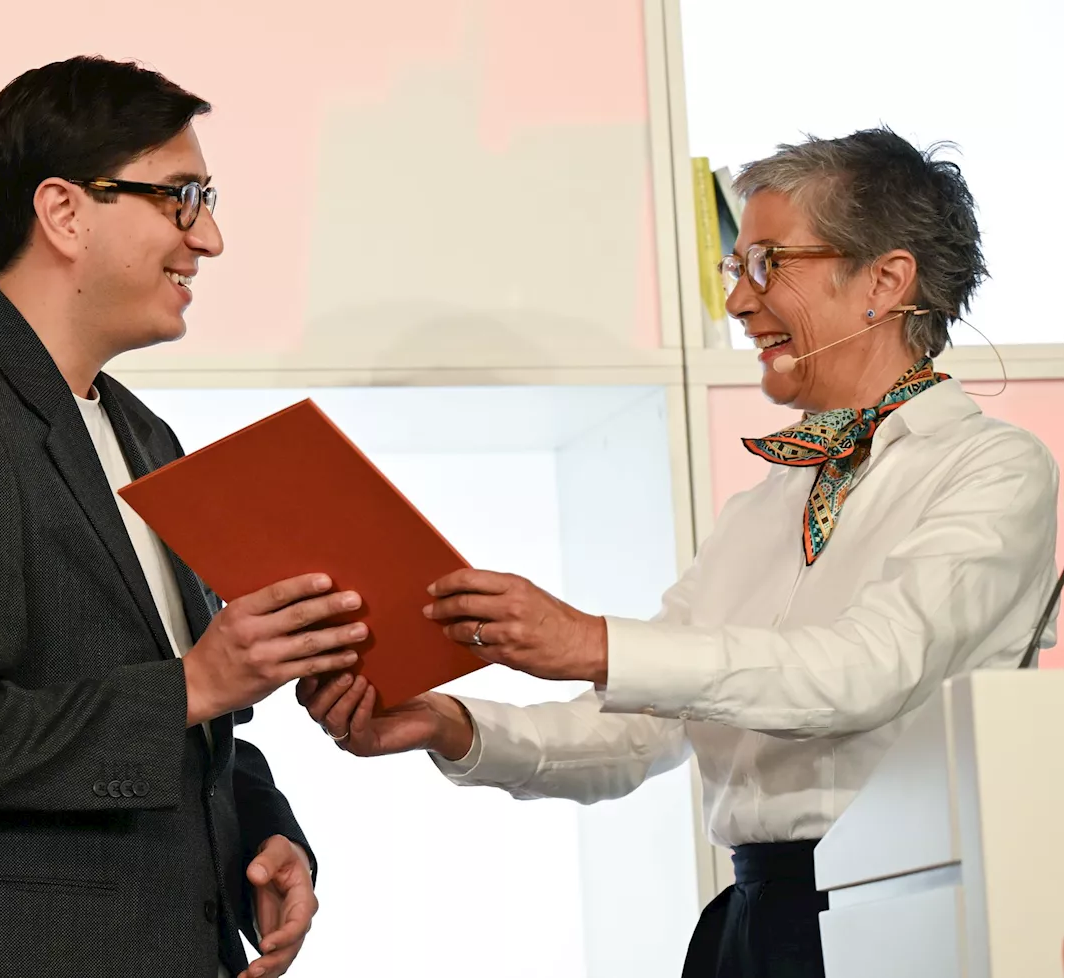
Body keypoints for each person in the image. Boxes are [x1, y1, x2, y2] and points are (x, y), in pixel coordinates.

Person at [299, 128, 1061, 978]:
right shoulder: (761, 507)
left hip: (897, 913)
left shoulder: (993, 468)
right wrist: (455, 726)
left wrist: (593, 642)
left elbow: (867, 670)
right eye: (736, 269)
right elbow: (644, 734)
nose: (737, 302)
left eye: (769, 263)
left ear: (884, 280)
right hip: (749, 920)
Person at [0, 56, 366, 978]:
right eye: (182, 197)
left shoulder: (148, 437)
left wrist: (265, 838)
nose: (211, 237)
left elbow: (192, 723)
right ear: (65, 212)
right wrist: (195, 684)